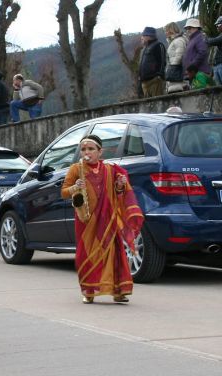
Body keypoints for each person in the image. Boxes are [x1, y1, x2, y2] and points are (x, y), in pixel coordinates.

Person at [60, 135, 144, 304]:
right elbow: (64, 192)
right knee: (88, 254)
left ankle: (118, 291)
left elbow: (119, 192)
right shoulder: (76, 169)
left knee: (114, 254)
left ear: (100, 151)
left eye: (91, 149)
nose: (87, 152)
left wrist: (120, 184)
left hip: (108, 219)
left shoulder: (111, 169)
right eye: (83, 149)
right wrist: (75, 187)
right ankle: (89, 290)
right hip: (86, 220)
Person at [139, 27, 167, 98]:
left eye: (144, 36)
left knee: (158, 104)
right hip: (145, 82)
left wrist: (159, 76)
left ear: (149, 36)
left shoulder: (158, 45)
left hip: (155, 81)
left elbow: (162, 62)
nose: (142, 37)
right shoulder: (145, 48)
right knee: (149, 106)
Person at [165, 22, 188, 93]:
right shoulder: (174, 41)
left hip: (177, 73)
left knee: (179, 92)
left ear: (171, 30)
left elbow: (180, 55)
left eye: (166, 30)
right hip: (176, 73)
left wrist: (172, 69)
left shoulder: (178, 40)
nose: (165, 33)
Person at [206, 16, 222, 85]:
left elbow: (213, 41)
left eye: (218, 24)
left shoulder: (220, 38)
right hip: (217, 65)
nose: (217, 27)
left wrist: (204, 39)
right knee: (218, 91)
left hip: (220, 65)